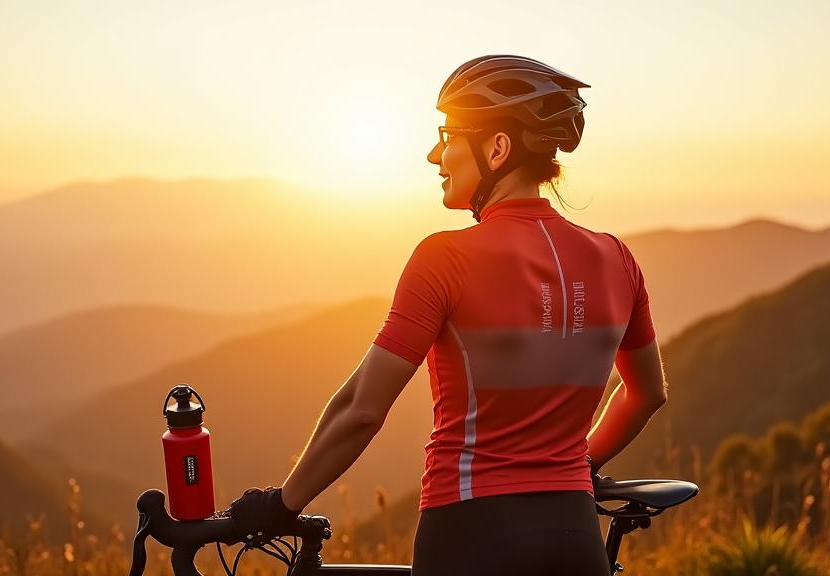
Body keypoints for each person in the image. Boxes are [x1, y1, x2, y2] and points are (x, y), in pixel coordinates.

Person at [229, 55, 668, 576]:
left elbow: (363, 409)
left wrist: (282, 505)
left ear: (497, 147)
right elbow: (647, 393)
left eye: (449, 135)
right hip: (575, 536)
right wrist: (578, 465)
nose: (435, 154)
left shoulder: (445, 258)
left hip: (471, 532)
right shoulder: (617, 259)